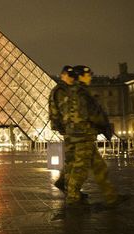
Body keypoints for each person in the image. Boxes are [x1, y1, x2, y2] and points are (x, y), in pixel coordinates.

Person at [63, 65, 129, 207]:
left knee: (100, 167)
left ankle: (111, 196)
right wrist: (104, 127)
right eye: (88, 75)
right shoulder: (82, 93)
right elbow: (94, 114)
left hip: (76, 135)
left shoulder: (69, 92)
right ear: (80, 76)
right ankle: (73, 199)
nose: (90, 77)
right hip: (83, 136)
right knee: (80, 169)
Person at [49, 66, 87, 198]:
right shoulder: (62, 91)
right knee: (78, 162)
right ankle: (72, 193)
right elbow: (64, 112)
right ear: (63, 75)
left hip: (70, 130)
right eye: (69, 75)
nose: (71, 78)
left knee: (72, 160)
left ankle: (67, 185)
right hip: (72, 131)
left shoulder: (62, 90)